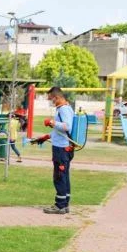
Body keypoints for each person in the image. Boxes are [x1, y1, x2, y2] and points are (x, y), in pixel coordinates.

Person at [30, 86, 75, 214]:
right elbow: (60, 130)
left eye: (52, 99)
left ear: (58, 97)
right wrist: (46, 137)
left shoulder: (64, 109)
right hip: (62, 146)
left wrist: (52, 122)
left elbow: (67, 127)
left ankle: (59, 205)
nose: (51, 102)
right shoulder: (63, 109)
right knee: (64, 176)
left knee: (59, 176)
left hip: (62, 149)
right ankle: (64, 204)